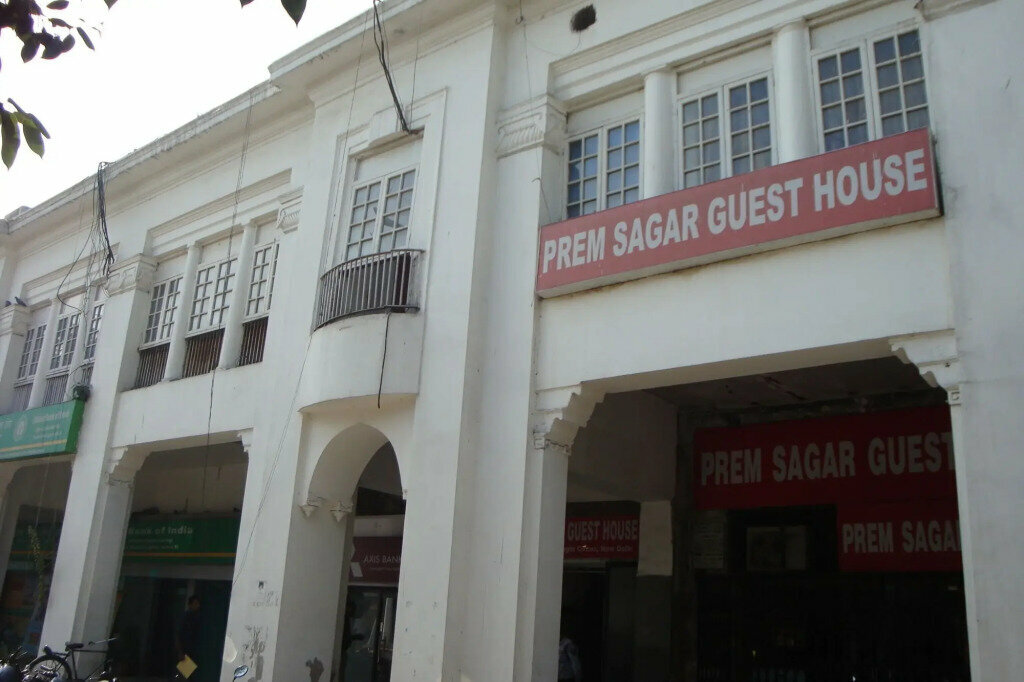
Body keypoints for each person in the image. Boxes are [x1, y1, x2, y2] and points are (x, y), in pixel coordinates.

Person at [176, 595, 201, 678]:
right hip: (185, 651)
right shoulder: (185, 617)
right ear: (190, 605)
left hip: (192, 651)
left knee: (188, 675)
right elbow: (178, 634)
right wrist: (180, 651)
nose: (197, 606)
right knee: (183, 675)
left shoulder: (196, 617)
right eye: (195, 604)